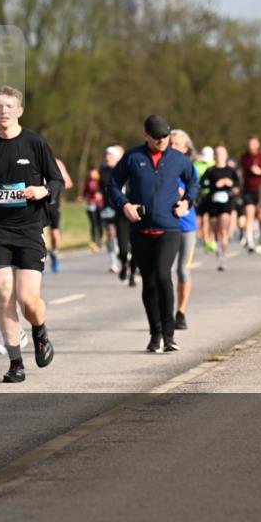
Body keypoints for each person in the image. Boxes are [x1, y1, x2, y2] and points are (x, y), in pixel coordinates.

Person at [0, 85, 63, 383]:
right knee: (2, 294)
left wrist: (42, 190)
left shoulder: (35, 143)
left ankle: (39, 330)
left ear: (19, 110)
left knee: (27, 299)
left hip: (29, 229)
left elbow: (57, 180)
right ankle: (15, 362)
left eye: (9, 106)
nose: (3, 111)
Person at [108, 115, 198, 354]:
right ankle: (155, 333)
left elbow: (193, 182)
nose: (162, 141)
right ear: (145, 135)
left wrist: (187, 202)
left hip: (169, 228)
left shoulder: (178, 159)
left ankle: (169, 335)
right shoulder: (133, 157)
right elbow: (113, 184)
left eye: (165, 136)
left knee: (162, 274)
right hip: (140, 229)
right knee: (148, 281)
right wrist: (125, 204)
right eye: (157, 137)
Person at [169, 129, 198, 330]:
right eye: (170, 144)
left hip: (186, 226)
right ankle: (166, 313)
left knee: (182, 270)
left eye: (177, 145)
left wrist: (182, 195)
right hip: (166, 225)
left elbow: (195, 196)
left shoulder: (189, 168)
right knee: (164, 271)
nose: (172, 147)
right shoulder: (161, 166)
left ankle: (181, 312)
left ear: (186, 149)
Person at [200, 144, 240, 271]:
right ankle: (218, 247)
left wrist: (230, 184)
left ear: (226, 155)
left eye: (222, 153)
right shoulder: (210, 170)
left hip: (227, 202)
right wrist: (215, 184)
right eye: (217, 153)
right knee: (216, 229)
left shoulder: (231, 170)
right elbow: (202, 184)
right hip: (213, 202)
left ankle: (223, 256)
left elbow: (238, 187)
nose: (219, 155)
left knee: (224, 229)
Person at [101, 145, 135, 284]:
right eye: (107, 155)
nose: (107, 158)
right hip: (117, 212)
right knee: (121, 246)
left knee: (135, 244)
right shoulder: (103, 172)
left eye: (111, 155)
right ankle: (120, 263)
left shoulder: (130, 170)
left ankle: (132, 273)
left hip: (133, 212)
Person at [240, 134, 261, 254]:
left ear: (258, 144)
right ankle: (250, 242)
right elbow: (241, 173)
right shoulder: (244, 157)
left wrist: (260, 171)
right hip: (248, 190)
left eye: (253, 143)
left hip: (260, 190)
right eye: (249, 143)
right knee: (249, 215)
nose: (251, 145)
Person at [45, 156, 74, 273]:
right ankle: (38, 261)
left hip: (53, 204)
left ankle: (54, 253)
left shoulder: (57, 163)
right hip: (38, 205)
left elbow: (69, 183)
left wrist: (52, 186)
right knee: (39, 234)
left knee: (55, 235)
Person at [193, 146, 215, 252]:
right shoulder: (196, 165)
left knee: (209, 218)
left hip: (212, 195)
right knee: (201, 218)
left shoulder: (213, 165)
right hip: (199, 195)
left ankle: (209, 239)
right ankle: (203, 238)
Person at [79, 166, 103, 254]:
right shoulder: (88, 181)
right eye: (90, 172)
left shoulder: (100, 181)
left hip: (99, 205)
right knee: (93, 222)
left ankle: (100, 239)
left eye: (93, 172)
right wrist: (81, 197)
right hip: (91, 203)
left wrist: (100, 194)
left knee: (99, 222)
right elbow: (85, 191)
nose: (91, 174)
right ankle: (93, 241)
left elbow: (104, 190)